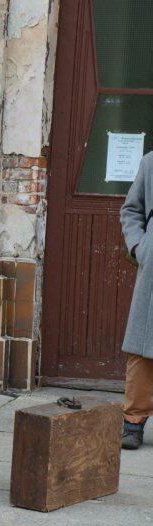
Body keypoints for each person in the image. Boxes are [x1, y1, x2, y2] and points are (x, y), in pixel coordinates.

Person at [119, 150, 153, 450]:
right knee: (142, 346)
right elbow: (131, 209)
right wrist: (139, 247)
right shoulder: (151, 162)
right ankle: (133, 421)